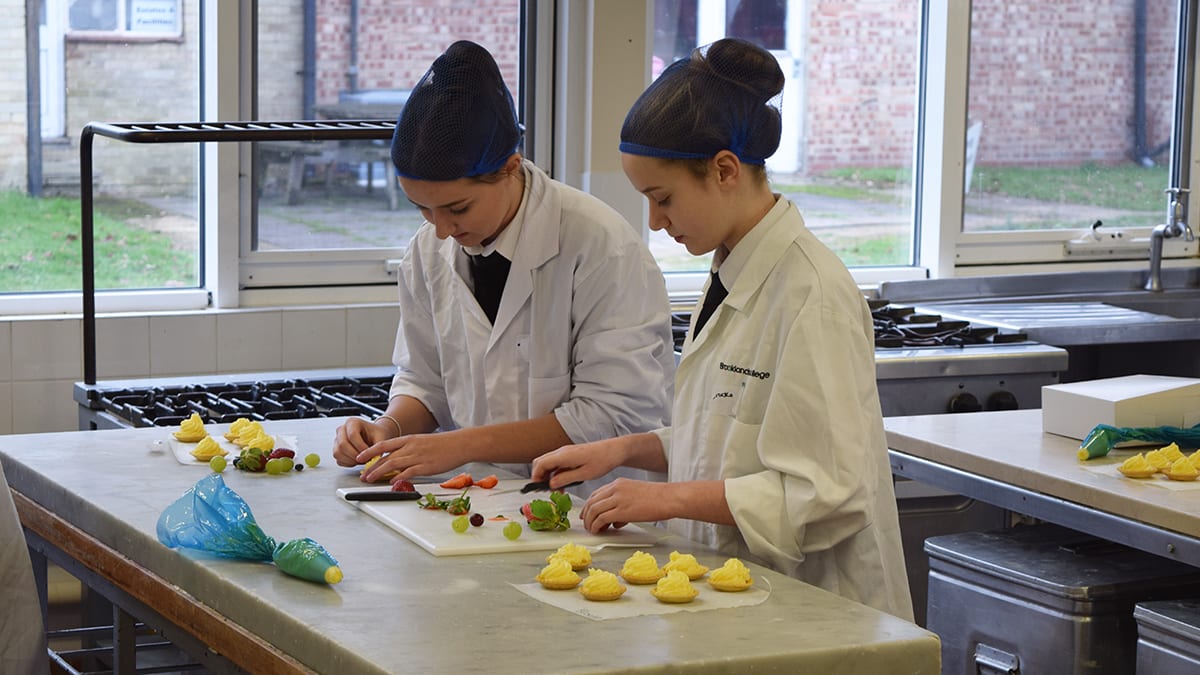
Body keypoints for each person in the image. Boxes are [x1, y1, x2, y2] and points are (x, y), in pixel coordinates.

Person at [530, 38, 913, 620]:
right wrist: (624, 450)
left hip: (821, 612)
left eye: (662, 198)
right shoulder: (730, 270)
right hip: (742, 600)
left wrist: (664, 499)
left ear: (725, 170)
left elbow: (824, 493)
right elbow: (728, 440)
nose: (655, 222)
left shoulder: (812, 295)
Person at [334, 41, 675, 486]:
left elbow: (612, 415)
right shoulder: (427, 251)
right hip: (483, 500)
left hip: (591, 503)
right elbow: (426, 381)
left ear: (511, 167)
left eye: (458, 208)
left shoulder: (600, 246)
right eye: (423, 209)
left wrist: (461, 445)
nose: (442, 230)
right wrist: (389, 428)